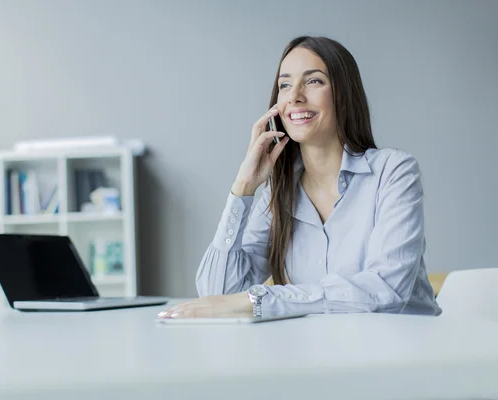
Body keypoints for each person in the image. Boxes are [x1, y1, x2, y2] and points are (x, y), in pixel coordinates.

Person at [158, 35, 442, 319]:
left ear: (343, 94)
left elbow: (385, 289)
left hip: (402, 354)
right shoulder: (279, 192)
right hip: (319, 355)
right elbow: (217, 294)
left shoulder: (393, 171)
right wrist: (243, 187)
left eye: (314, 81)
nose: (294, 96)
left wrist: (261, 300)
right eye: (285, 85)